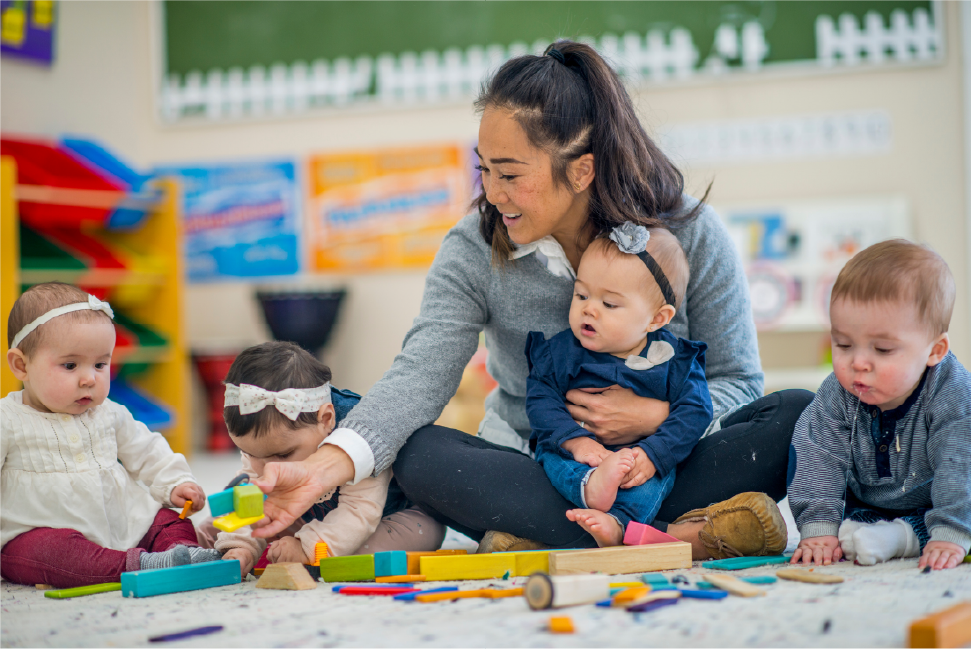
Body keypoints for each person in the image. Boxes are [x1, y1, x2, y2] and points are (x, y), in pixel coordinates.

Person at [248, 40, 813, 561]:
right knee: (419, 455)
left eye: (511, 174)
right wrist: (327, 465)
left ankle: (554, 537)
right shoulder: (472, 247)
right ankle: (677, 537)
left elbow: (738, 380)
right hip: (541, 469)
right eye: (485, 170)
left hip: (671, 459)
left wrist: (658, 420)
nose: (493, 193)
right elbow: (420, 374)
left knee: (793, 414)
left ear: (582, 169)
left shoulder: (688, 232)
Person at [0, 282, 220, 588]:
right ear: (21, 365)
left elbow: (147, 450)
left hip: (122, 521)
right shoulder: (7, 420)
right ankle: (140, 564)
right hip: (41, 530)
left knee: (168, 519)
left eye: (101, 364)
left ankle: (181, 553)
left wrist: (176, 483)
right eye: (70, 365)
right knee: (44, 553)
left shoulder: (110, 413)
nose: (89, 378)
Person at [789, 240, 971, 571]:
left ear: (935, 350)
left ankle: (907, 537)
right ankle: (876, 532)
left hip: (941, 501)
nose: (858, 362)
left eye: (883, 350)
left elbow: (960, 466)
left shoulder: (952, 395)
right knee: (842, 521)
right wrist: (819, 528)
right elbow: (818, 456)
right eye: (843, 345)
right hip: (867, 501)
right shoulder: (838, 392)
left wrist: (951, 531)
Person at [527, 224, 711, 546]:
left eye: (609, 304)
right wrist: (576, 442)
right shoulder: (561, 353)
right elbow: (541, 400)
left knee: (652, 481)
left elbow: (696, 411)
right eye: (581, 294)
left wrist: (653, 454)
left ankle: (617, 525)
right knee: (551, 458)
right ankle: (590, 488)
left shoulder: (674, 360)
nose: (588, 308)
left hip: (639, 455)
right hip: (576, 453)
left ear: (657, 318)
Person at [202, 342, 444, 576]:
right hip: (310, 515)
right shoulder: (269, 450)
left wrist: (306, 546)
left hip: (388, 515)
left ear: (326, 419)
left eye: (283, 454)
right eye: (250, 453)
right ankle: (184, 546)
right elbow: (249, 497)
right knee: (220, 525)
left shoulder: (358, 433)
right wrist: (240, 545)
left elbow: (360, 511)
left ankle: (311, 554)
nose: (267, 467)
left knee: (381, 546)